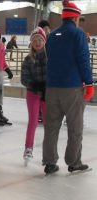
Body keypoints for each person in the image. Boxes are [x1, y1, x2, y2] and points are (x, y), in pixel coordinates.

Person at [43, 1, 94, 174]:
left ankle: (50, 162)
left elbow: (49, 57)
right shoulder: (77, 34)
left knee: (51, 127)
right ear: (75, 17)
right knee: (75, 127)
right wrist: (89, 83)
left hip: (52, 87)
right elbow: (83, 60)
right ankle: (74, 162)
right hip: (72, 88)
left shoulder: (52, 35)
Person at [21, 27, 47, 162]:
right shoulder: (28, 59)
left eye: (40, 40)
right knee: (33, 121)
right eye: (35, 40)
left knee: (49, 123)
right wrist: (35, 85)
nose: (37, 42)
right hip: (33, 94)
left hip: (47, 94)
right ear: (31, 43)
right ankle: (28, 148)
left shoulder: (51, 58)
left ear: (44, 41)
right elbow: (24, 79)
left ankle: (48, 150)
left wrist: (48, 86)